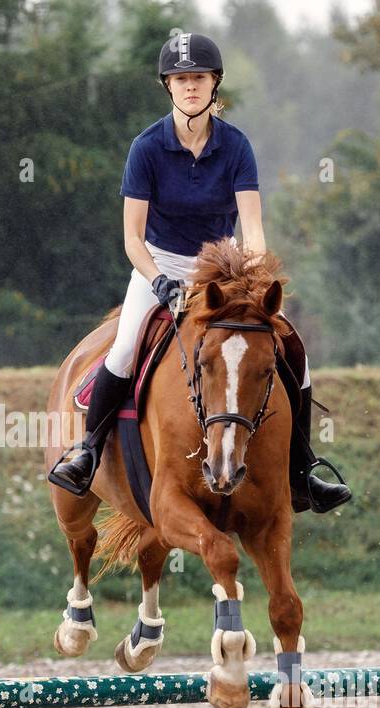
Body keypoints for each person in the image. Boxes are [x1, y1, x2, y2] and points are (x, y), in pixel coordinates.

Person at [48, 31, 351, 515]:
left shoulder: (235, 146)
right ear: (168, 86)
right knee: (125, 348)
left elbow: (251, 223)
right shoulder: (145, 148)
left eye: (199, 78)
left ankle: (303, 470)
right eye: (181, 79)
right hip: (159, 264)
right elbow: (132, 238)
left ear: (215, 85)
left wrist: (253, 276)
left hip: (222, 266)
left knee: (292, 348)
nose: (191, 87)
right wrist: (159, 280)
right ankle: (87, 451)